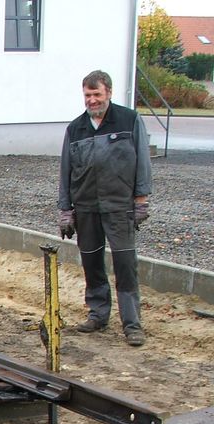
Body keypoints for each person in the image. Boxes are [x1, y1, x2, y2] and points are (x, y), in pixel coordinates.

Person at [58, 70, 152, 347]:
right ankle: (98, 315)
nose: (92, 100)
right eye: (87, 95)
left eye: (96, 94)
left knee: (125, 266)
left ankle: (132, 324)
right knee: (91, 263)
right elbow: (65, 172)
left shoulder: (129, 120)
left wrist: (141, 199)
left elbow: (143, 161)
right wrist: (66, 210)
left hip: (119, 207)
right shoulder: (75, 129)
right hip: (86, 208)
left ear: (108, 92)